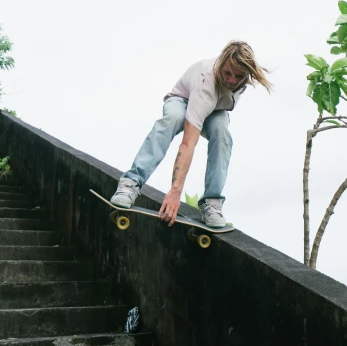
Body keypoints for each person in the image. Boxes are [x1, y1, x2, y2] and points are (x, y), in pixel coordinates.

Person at [111, 41, 272, 228]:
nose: (231, 81)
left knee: (222, 132)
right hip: (183, 100)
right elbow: (188, 143)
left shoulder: (242, 77)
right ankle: (130, 183)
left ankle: (212, 203)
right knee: (173, 118)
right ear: (221, 64)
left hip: (213, 109)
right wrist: (175, 192)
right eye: (227, 73)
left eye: (238, 76)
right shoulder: (206, 82)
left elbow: (228, 90)